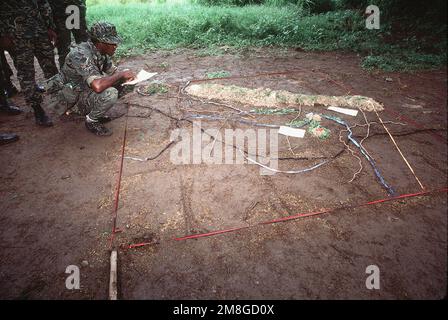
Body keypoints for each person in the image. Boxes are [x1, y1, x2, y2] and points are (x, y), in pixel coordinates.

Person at [51, 22, 135, 136]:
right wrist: (121, 75)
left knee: (127, 83)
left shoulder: (101, 52)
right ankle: (91, 121)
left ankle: (94, 110)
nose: (116, 46)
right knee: (110, 93)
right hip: (69, 98)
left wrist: (127, 77)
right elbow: (98, 86)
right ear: (100, 42)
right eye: (112, 43)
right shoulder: (80, 55)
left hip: (84, 90)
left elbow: (113, 71)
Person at [1, 0, 59, 127]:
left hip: (39, 30)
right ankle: (37, 110)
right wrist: (3, 35)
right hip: (17, 35)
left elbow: (43, 3)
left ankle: (60, 98)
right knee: (26, 73)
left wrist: (49, 26)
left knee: (50, 66)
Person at [48, 0, 89, 68]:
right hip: (59, 13)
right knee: (63, 47)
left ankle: (89, 68)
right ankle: (66, 74)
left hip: (75, 10)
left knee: (83, 45)